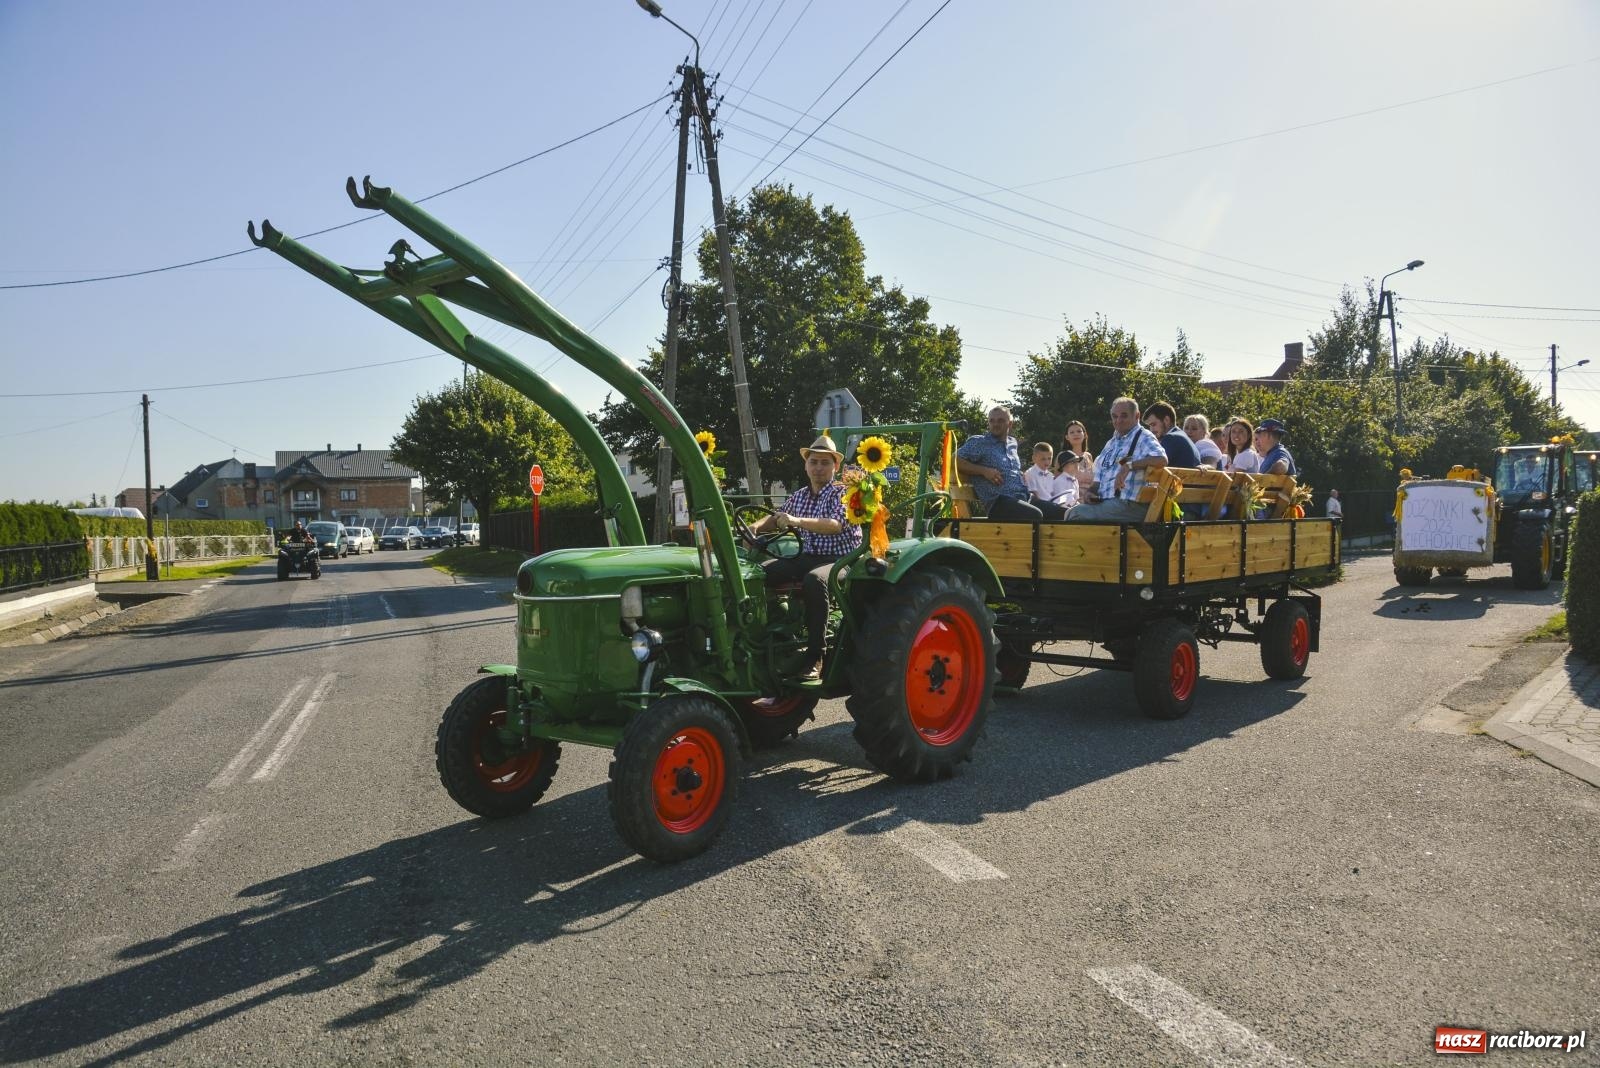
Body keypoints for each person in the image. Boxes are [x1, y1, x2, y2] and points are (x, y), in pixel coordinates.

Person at [743, 434, 862, 679]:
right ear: (806, 465)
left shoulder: (843, 494)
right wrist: (755, 527)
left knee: (815, 580)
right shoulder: (799, 496)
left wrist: (797, 521)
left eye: (825, 463)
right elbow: (777, 517)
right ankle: (769, 640)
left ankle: (816, 656)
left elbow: (835, 525)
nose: (818, 468)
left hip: (840, 559)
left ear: (835, 466)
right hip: (808, 555)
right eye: (813, 462)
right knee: (758, 573)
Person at [1065, 397, 1167, 523]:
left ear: (1137, 416)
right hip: (1109, 504)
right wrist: (1090, 492)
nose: (1118, 420)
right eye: (1114, 416)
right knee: (1069, 512)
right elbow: (1098, 477)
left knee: (1075, 514)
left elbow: (1161, 459)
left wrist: (1130, 466)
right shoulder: (1111, 443)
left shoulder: (1143, 436)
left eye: (1124, 416)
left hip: (1130, 505)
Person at [957, 406, 1067, 520]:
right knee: (1035, 515)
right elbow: (954, 459)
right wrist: (984, 471)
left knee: (1063, 513)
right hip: (999, 502)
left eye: (1000, 420)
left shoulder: (1012, 443)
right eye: (992, 421)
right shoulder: (979, 442)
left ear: (1010, 424)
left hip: (1024, 497)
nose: (995, 424)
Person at [1143, 401, 1200, 467]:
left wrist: (1134, 464)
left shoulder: (1171, 438)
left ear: (1166, 420)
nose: (1151, 430)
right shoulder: (1182, 436)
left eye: (1153, 424)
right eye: (1149, 426)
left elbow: (1154, 464)